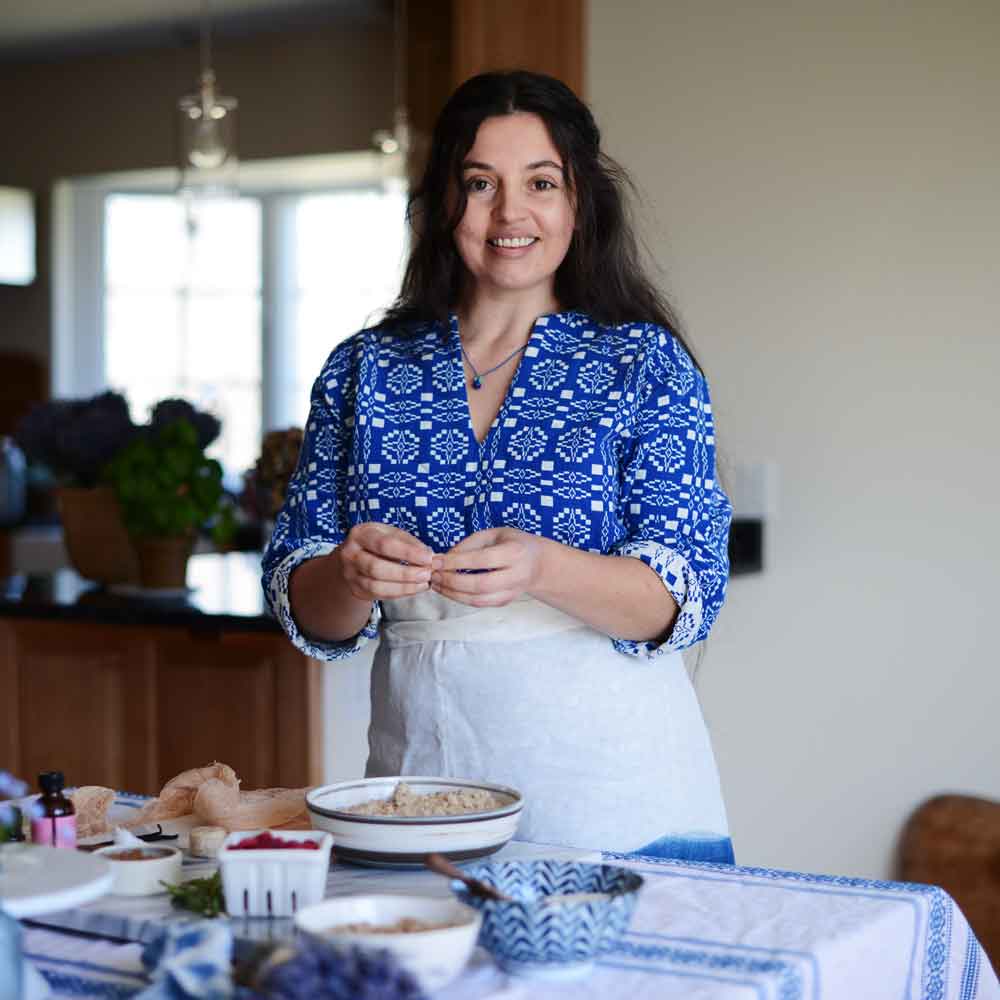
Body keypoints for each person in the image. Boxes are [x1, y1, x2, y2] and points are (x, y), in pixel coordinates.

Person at [262, 70, 734, 862]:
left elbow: (681, 596)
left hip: (617, 797)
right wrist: (349, 574)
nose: (510, 213)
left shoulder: (643, 365)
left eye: (540, 182)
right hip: (420, 787)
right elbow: (304, 605)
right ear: (444, 201)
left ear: (580, 200)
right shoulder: (363, 370)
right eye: (480, 183)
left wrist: (543, 566)